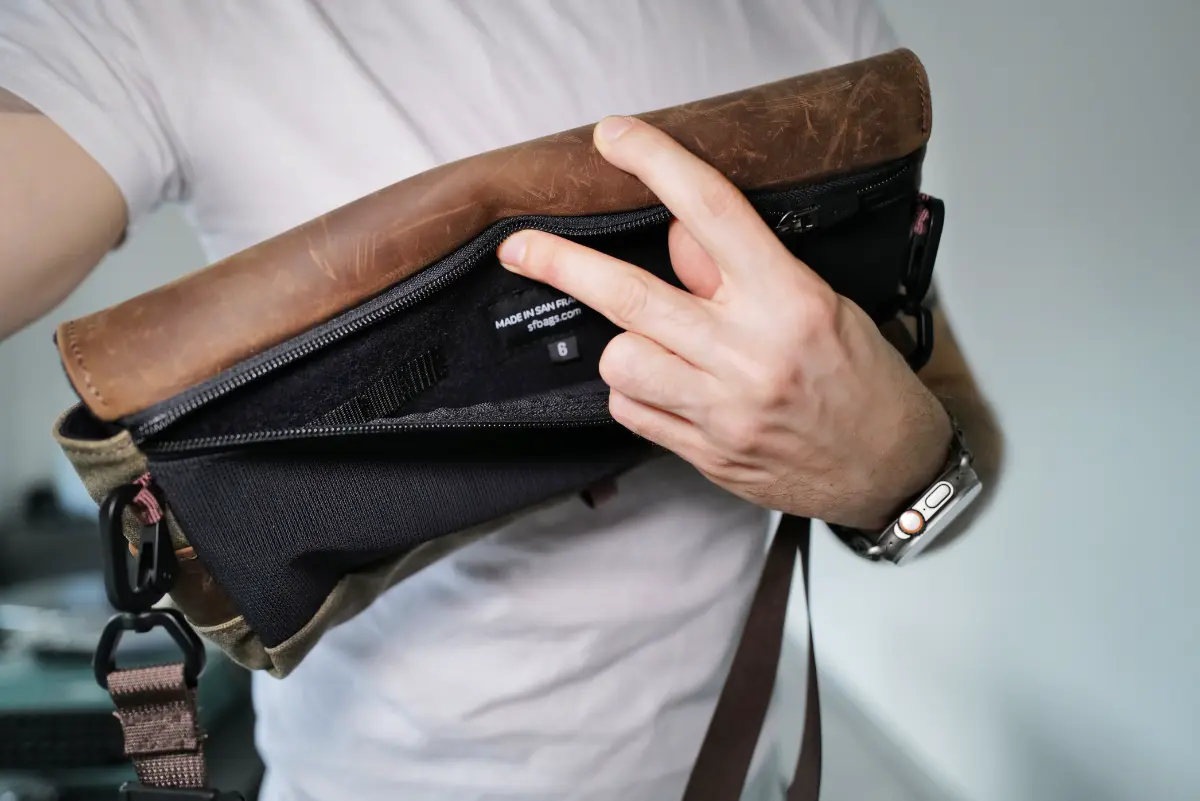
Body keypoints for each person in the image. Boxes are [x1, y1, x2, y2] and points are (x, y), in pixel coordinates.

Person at [0, 2, 998, 800]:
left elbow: (951, 418)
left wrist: (901, 475)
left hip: (745, 767)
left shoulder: (821, 35)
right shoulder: (178, 20)